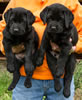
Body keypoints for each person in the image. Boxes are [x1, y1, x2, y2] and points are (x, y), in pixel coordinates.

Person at [0, 0, 82, 100]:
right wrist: (12, 49)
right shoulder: (17, 1)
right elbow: (2, 31)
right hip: (26, 77)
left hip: (62, 77)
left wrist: (72, 47)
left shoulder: (70, 1)